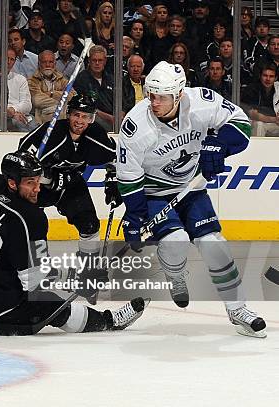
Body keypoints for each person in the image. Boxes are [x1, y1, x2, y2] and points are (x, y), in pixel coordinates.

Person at [116, 61, 267, 338]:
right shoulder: (136, 126)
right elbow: (129, 177)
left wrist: (219, 145)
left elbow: (241, 123)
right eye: (151, 95)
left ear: (179, 94)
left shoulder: (201, 102)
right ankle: (175, 274)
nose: (154, 102)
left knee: (214, 244)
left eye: (161, 97)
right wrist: (135, 216)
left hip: (191, 186)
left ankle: (238, 309)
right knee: (176, 242)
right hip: (154, 191)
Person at [0, 150, 146, 335]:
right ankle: (108, 321)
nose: (37, 189)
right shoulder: (31, 218)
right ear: (12, 183)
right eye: (30, 183)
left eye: (38, 181)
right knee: (49, 303)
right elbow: (35, 280)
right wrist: (77, 278)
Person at [18, 92, 121, 303]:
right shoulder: (51, 132)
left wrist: (113, 181)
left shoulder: (95, 135)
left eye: (85, 117)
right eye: (76, 115)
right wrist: (48, 179)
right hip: (40, 186)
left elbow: (116, 157)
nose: (80, 121)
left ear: (92, 118)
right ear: (68, 114)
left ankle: (87, 275)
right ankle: (27, 273)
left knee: (90, 226)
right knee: (31, 226)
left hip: (71, 184)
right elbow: (22, 158)